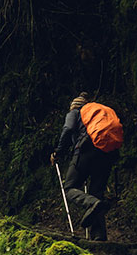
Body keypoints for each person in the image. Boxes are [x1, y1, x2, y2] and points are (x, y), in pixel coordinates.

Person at [50, 92, 122, 241]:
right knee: (97, 192)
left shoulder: (75, 112)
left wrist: (58, 152)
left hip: (86, 149)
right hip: (107, 153)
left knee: (69, 188)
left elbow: (68, 129)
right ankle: (99, 237)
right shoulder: (100, 112)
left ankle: (92, 203)